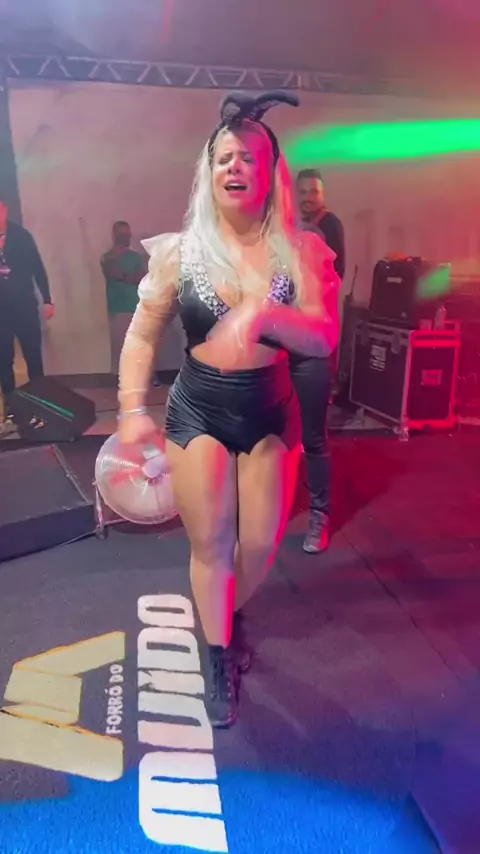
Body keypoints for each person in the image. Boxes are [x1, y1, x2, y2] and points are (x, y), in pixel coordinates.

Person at [118, 91, 340, 728]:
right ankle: (217, 653)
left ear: (271, 173)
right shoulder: (181, 251)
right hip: (199, 409)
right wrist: (132, 409)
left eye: (248, 158)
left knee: (261, 545)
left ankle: (224, 611)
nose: (234, 167)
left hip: (270, 409)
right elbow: (141, 335)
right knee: (211, 543)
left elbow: (323, 336)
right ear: (208, 171)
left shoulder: (301, 251)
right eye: (223, 158)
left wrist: (266, 316)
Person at [290, 169, 345, 553]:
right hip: (282, 346)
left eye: (314, 191)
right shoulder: (282, 232)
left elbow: (328, 280)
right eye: (303, 192)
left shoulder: (324, 229)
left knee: (312, 436)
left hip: (312, 348)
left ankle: (319, 515)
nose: (308, 197)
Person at [0, 191, 54, 422]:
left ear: (5, 210)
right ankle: (11, 407)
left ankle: (40, 404)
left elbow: (37, 268)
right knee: (4, 359)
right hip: (1, 309)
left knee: (33, 356)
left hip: (24, 305)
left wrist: (47, 299)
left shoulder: (21, 236)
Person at [101, 221, 146, 374]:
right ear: (115, 236)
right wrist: (128, 276)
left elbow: (141, 277)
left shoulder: (136, 258)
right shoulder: (107, 258)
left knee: (139, 348)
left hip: (136, 308)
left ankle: (141, 377)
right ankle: (121, 379)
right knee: (120, 348)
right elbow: (112, 272)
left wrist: (126, 276)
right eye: (122, 235)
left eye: (127, 235)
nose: (126, 238)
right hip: (117, 309)